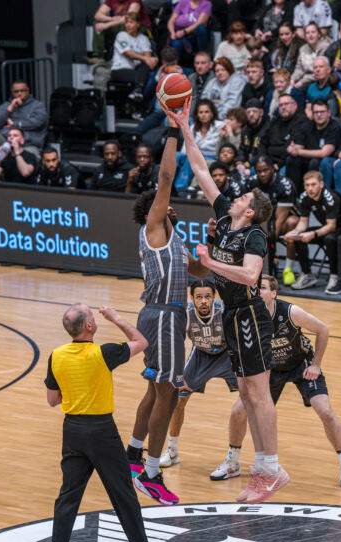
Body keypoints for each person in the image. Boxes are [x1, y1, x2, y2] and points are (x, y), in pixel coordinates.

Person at [178, 108, 287, 504]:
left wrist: (209, 263)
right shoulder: (225, 221)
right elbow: (202, 170)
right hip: (233, 317)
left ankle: (271, 470)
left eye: (241, 197)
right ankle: (264, 467)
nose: (234, 196)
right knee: (245, 392)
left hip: (252, 317)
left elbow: (251, 276)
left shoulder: (254, 235)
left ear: (251, 210)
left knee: (259, 396)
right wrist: (186, 127)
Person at [125, 106, 206, 503]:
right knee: (170, 393)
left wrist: (203, 255)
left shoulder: (171, 237)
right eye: (162, 205)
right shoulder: (152, 227)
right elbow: (166, 178)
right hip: (164, 314)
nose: (168, 205)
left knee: (157, 391)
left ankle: (133, 454)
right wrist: (174, 130)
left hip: (160, 315)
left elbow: (198, 273)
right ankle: (152, 473)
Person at [44, 304, 159, 542]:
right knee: (122, 491)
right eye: (94, 318)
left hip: (72, 430)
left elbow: (52, 400)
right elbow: (142, 341)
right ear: (89, 327)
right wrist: (116, 318)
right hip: (101, 430)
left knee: (68, 496)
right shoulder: (103, 353)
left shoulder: (56, 355)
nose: (97, 320)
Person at [227, 275, 341, 485]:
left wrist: (316, 364)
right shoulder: (248, 316)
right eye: (256, 289)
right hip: (269, 369)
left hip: (300, 364)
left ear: (274, 293)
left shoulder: (290, 312)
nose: (258, 292)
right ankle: (232, 461)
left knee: (324, 410)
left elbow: (323, 329)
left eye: (263, 288)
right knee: (238, 411)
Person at [161, 280, 239, 469]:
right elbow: (174, 344)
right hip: (200, 355)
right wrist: (177, 375)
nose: (203, 301)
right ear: (192, 299)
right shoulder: (185, 314)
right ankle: (172, 451)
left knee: (251, 400)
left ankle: (238, 456)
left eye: (207, 297)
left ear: (214, 298)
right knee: (179, 399)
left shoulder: (225, 310)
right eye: (199, 297)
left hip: (228, 355)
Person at [282, 170, 341, 290]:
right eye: (307, 185)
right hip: (326, 227)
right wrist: (295, 232)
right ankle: (307, 274)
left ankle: (335, 275)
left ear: (321, 184)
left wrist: (313, 234)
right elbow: (303, 222)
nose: (310, 188)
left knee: (330, 239)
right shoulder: (305, 197)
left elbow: (331, 226)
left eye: (313, 185)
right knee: (299, 237)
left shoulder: (330, 197)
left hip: (340, 228)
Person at [283, 98, 341, 191]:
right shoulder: (306, 126)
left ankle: (313, 194)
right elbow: (298, 147)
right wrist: (293, 149)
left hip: (327, 161)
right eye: (316, 112)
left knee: (314, 162)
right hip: (308, 158)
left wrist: (298, 151)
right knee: (292, 160)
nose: (319, 115)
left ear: (328, 113)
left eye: (322, 112)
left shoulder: (334, 127)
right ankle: (292, 195)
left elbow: (324, 153)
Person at [0, 80, 47, 164]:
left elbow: (37, 122)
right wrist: (10, 108)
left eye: (22, 91)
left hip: (29, 143)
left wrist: (14, 124)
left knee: (31, 157)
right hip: (7, 141)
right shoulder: (7, 105)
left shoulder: (37, 105)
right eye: (16, 91)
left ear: (28, 90)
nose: (19, 93)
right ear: (12, 92)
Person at [110, 12, 156, 96]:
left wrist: (150, 59)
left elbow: (148, 57)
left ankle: (138, 92)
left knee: (147, 67)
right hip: (119, 69)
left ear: (138, 24)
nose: (128, 25)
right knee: (145, 78)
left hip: (135, 69)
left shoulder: (143, 38)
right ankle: (138, 91)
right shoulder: (121, 35)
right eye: (126, 22)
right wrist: (146, 58)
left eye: (131, 22)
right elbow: (130, 54)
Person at [259, 93, 306, 169]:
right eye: (280, 105)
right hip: (268, 161)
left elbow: (290, 148)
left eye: (286, 104)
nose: (283, 107)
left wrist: (278, 164)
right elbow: (263, 142)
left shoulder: (301, 121)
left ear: (295, 105)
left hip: (285, 163)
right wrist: (264, 160)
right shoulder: (275, 121)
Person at [291, 23, 332, 92]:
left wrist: (302, 81)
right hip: (304, 78)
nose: (310, 35)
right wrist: (292, 79)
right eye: (307, 33)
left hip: (318, 80)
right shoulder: (302, 49)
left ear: (319, 34)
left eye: (313, 32)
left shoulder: (325, 47)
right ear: (305, 36)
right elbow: (299, 68)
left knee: (297, 91)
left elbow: (321, 71)